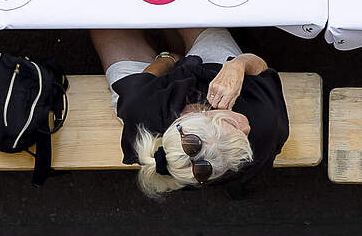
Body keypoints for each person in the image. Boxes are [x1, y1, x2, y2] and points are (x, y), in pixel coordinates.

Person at [90, 27, 288, 198]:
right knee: (194, 16)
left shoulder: (143, 112)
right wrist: (238, 65)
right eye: (243, 138)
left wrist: (167, 59)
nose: (246, 127)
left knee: (103, 26)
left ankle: (169, 38)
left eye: (232, 124)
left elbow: (141, 86)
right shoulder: (265, 125)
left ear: (190, 115)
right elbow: (262, 68)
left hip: (150, 91)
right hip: (211, 71)